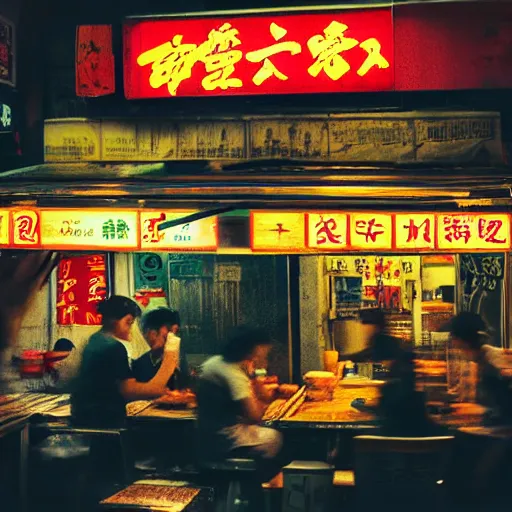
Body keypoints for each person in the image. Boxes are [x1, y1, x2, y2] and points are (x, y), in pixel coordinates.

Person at [71, 295, 178, 428]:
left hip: (85, 415)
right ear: (113, 321)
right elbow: (128, 390)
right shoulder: (113, 347)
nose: (130, 328)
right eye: (129, 322)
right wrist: (170, 358)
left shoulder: (95, 339)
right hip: (103, 419)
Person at [197, 325, 284, 482]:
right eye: (263, 351)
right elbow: (254, 415)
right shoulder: (234, 375)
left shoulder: (213, 362)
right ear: (252, 350)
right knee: (275, 437)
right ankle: (257, 483)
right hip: (225, 440)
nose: (264, 355)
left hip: (204, 434)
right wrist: (263, 395)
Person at [341, 308, 445, 436]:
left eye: (365, 324)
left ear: (374, 326)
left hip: (394, 433)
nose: (363, 329)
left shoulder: (385, 345)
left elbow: (379, 372)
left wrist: (351, 369)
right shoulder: (391, 351)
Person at [448, 312, 512, 422]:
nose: (454, 344)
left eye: (454, 339)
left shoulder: (493, 361)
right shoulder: (481, 360)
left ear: (464, 341)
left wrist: (481, 411)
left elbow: (506, 408)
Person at [132, 308, 189, 390]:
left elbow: (184, 388)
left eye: (173, 331)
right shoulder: (138, 362)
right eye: (146, 331)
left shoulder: (179, 357)